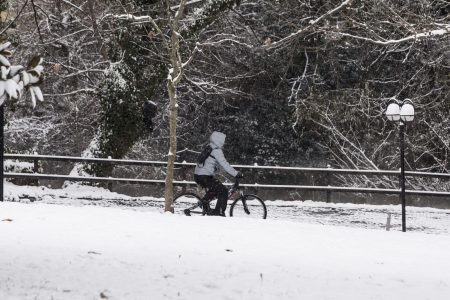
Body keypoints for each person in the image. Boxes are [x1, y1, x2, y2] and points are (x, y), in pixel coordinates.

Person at [194, 131, 243, 216]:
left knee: (216, 189)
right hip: (204, 176)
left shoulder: (210, 146)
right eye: (223, 140)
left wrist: (224, 172)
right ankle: (218, 212)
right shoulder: (216, 150)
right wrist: (236, 173)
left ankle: (204, 202)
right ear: (219, 140)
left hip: (200, 175)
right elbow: (225, 164)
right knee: (223, 191)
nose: (223, 143)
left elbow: (217, 164)